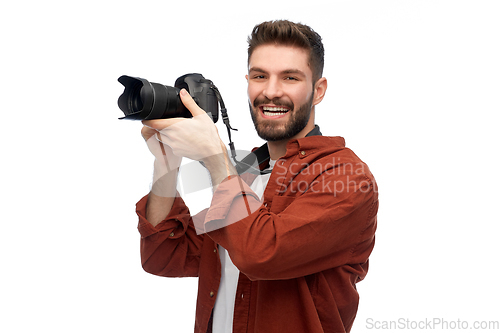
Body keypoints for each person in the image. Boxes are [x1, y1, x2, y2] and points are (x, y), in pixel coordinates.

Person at [135, 20, 378, 333]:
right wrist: (165, 164)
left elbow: (261, 254)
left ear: (318, 91)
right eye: (260, 76)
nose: (271, 92)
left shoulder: (346, 177)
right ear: (247, 81)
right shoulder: (244, 171)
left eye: (290, 78)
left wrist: (215, 158)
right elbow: (164, 255)